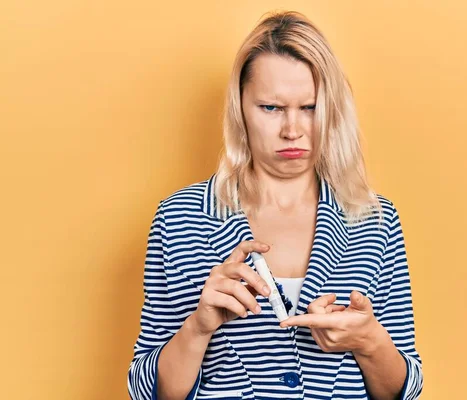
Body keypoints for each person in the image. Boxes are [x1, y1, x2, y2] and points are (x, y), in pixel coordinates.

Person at [128, 10, 423, 400]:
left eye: (310, 107)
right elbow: (146, 391)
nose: (292, 130)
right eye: (271, 108)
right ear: (240, 109)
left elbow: (405, 389)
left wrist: (369, 342)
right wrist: (198, 328)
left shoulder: (374, 219)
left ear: (332, 109)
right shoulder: (179, 217)